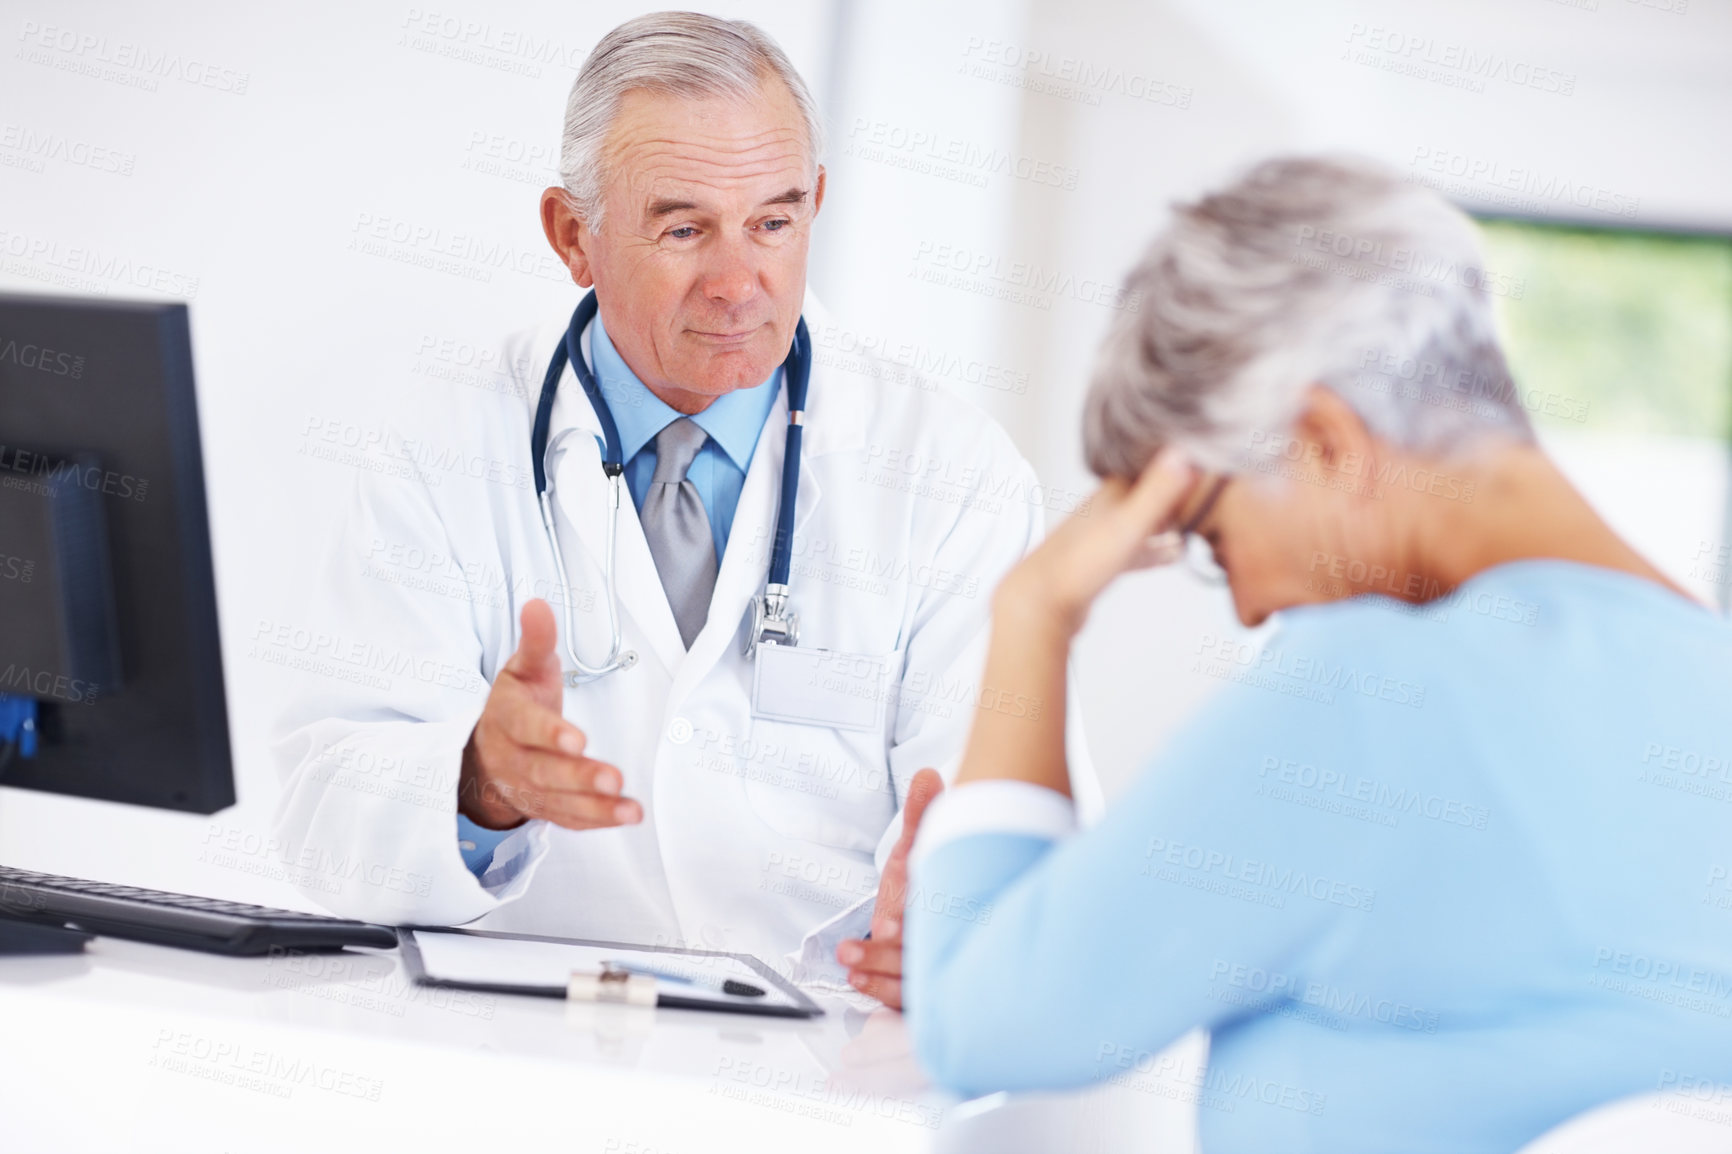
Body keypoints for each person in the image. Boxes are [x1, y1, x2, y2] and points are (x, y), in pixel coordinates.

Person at [901, 155, 1732, 1151]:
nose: (1248, 608)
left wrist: (1033, 609)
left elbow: (980, 1025)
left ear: (1324, 442)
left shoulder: (1378, 694)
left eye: (1212, 535)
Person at [271, 11, 1097, 1004]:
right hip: (515, 1053)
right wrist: (475, 784)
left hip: (819, 1068)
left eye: (774, 222)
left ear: (817, 203)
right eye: (684, 228)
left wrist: (964, 914)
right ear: (572, 235)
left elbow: (999, 811)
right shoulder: (442, 449)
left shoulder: (952, 476)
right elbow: (320, 816)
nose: (740, 282)